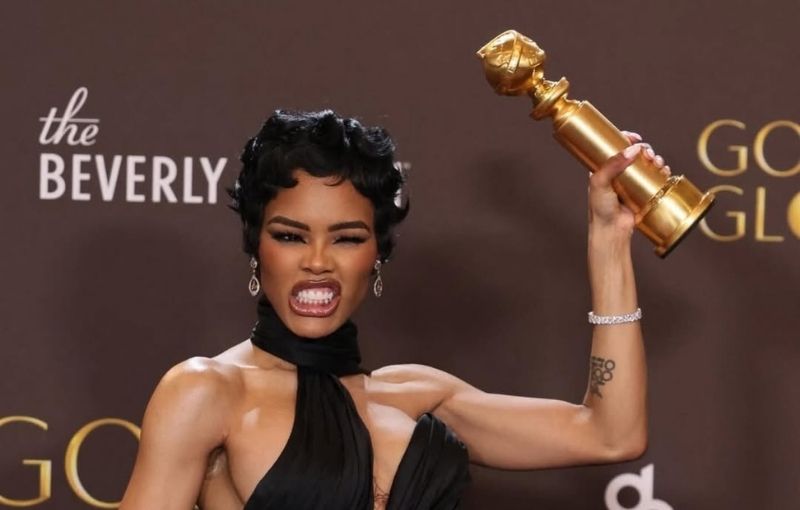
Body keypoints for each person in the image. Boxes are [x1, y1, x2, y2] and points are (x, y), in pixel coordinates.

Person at [119, 109, 665, 510]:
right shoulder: (206, 391)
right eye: (290, 236)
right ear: (256, 247)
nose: (317, 262)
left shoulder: (419, 396)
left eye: (346, 238)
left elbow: (610, 434)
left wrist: (609, 240)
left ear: (376, 255)